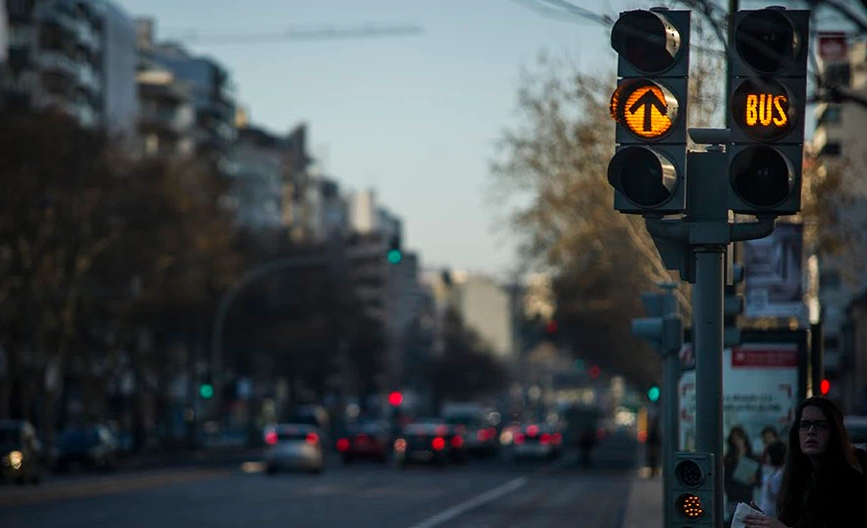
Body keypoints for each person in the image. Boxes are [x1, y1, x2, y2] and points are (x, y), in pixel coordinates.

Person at [744, 396, 867, 528]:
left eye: (820, 425)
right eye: (805, 425)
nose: (811, 431)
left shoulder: (851, 483)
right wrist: (763, 522)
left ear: (834, 432)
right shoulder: (800, 479)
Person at [724, 425, 762, 526]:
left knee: (746, 522)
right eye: (734, 439)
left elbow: (759, 480)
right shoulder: (729, 457)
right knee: (733, 521)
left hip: (746, 494)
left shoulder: (753, 457)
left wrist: (754, 480)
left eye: (738, 438)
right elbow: (726, 477)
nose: (736, 441)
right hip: (732, 495)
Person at [758, 440, 786, 518]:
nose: (767, 458)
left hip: (773, 513)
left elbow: (777, 494)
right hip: (766, 511)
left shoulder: (781, 474)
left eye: (768, 455)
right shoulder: (773, 471)